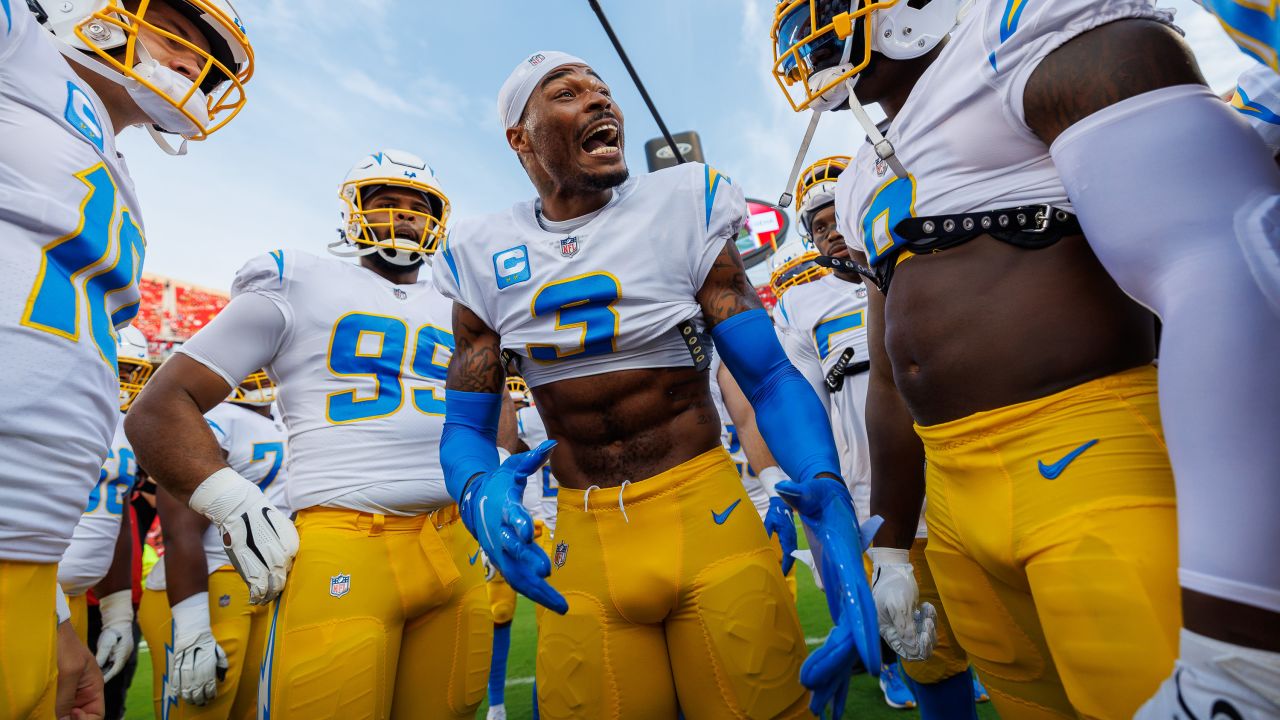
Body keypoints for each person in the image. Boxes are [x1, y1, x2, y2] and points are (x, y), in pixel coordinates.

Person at [767, 0, 1272, 714]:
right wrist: (890, 541)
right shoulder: (857, 180)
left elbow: (1223, 256)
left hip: (1086, 450)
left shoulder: (1018, 35)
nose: (807, 33)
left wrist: (1246, 622)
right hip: (947, 492)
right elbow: (889, 369)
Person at [435, 50, 879, 718]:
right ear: (519, 137)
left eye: (603, 90)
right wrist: (476, 490)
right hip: (581, 541)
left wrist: (821, 481)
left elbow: (769, 376)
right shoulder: (477, 254)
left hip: (706, 512)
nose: (599, 100)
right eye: (566, 92)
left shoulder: (682, 201)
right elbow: (466, 428)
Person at [127, 150, 501, 718]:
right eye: (386, 203)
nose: (402, 217)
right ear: (354, 214)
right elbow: (158, 408)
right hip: (345, 539)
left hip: (456, 540)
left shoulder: (463, 303)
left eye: (416, 206)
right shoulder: (297, 278)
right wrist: (233, 503)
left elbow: (497, 411)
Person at [0, 1, 251, 716]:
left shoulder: (107, 159)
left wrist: (51, 617)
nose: (191, 64)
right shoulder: (21, 49)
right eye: (176, 33)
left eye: (207, 58)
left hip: (24, 557)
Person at [137, 371, 288, 718]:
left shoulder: (283, 418)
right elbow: (181, 530)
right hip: (210, 580)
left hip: (263, 583)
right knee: (203, 708)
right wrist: (192, 628)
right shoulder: (216, 419)